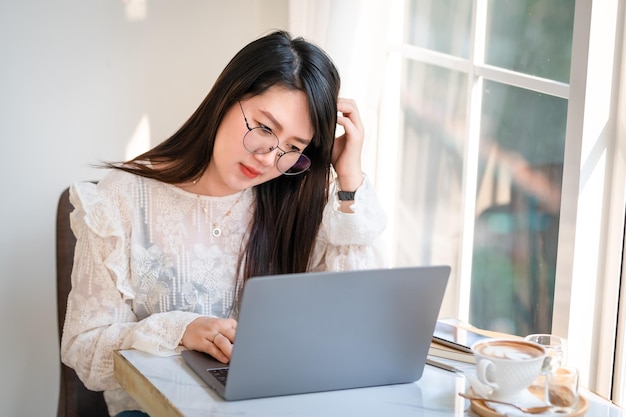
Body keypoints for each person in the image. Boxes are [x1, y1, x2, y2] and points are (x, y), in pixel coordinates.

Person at [61, 30, 387, 417]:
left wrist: (348, 182)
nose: (269, 157)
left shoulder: (295, 202)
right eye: (264, 128)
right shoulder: (123, 198)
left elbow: (357, 323)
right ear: (226, 97)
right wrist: (180, 330)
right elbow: (84, 348)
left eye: (294, 148)